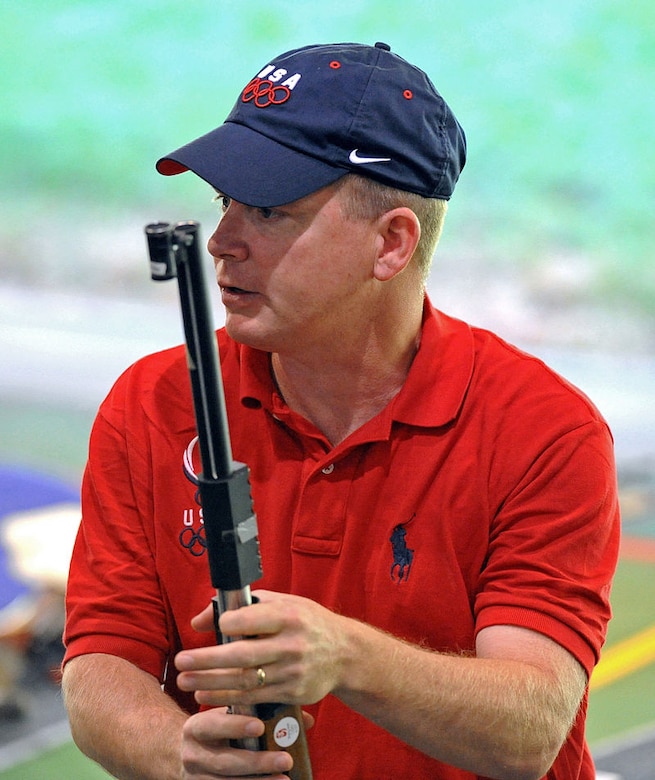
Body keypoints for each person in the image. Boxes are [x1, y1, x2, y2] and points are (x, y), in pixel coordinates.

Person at [61, 42, 620, 780]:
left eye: (268, 210)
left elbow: (526, 731)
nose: (224, 242)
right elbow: (101, 658)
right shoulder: (151, 402)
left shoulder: (542, 430)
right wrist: (173, 751)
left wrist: (343, 656)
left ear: (390, 243)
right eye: (224, 202)